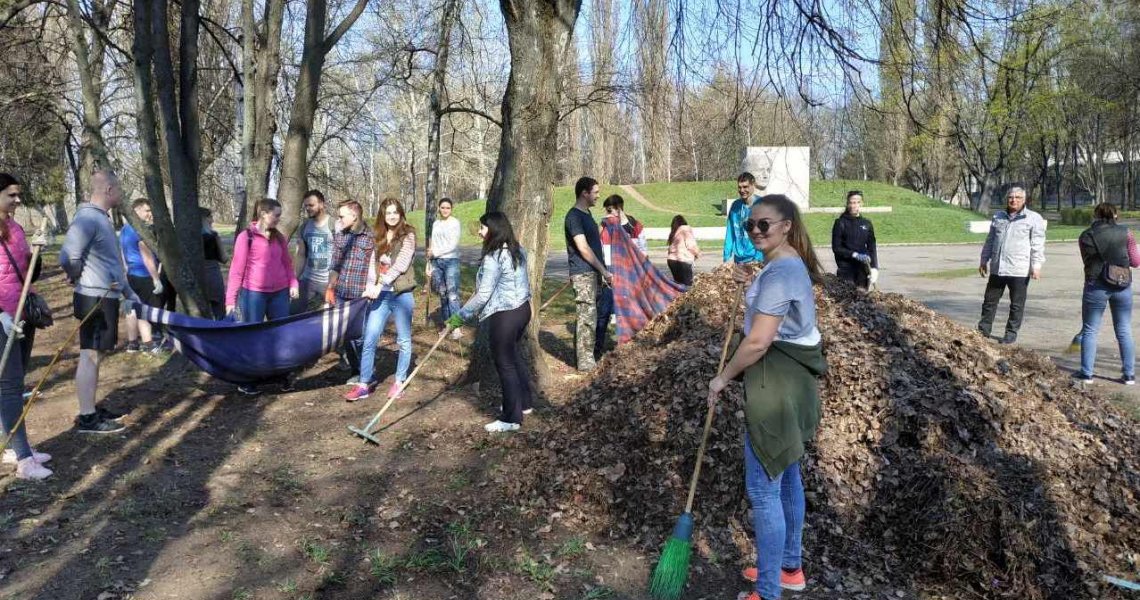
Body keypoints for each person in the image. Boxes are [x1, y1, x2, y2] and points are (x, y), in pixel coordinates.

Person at [707, 194, 825, 600]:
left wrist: (722, 378)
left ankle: (769, 591)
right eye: (749, 226)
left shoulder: (780, 273)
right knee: (787, 475)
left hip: (775, 387)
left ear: (786, 225)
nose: (755, 231)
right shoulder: (782, 267)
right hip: (791, 384)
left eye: (764, 225)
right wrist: (751, 281)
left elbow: (757, 342)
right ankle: (788, 567)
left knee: (763, 489)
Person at [59, 170, 133, 434]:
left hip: (105, 296)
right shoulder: (88, 217)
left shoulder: (100, 218)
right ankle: (88, 417)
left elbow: (111, 263)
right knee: (90, 355)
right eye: (119, 189)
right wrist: (76, 274)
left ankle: (89, 407)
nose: (121, 194)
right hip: (94, 298)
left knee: (96, 355)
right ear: (109, 190)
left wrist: (127, 293)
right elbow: (68, 255)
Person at [446, 212, 533, 432]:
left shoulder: (494, 256)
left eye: (483, 228)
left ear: (493, 229)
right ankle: (524, 403)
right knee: (513, 356)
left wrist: (459, 317)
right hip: (522, 310)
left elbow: (483, 295)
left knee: (505, 364)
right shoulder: (517, 250)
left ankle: (511, 418)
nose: (479, 231)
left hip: (505, 314)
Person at [0, 174, 51, 478]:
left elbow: (25, 271)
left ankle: (12, 447)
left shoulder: (15, 227)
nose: (18, 200)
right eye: (11, 195)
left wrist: (37, 252)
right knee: (8, 385)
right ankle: (23, 460)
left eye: (18, 195)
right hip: (3, 317)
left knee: (14, 385)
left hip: (23, 312)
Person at [344, 198, 417, 402]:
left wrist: (380, 284)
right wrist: (370, 285)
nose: (392, 216)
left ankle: (399, 381)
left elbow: (401, 264)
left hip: (401, 294)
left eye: (395, 212)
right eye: (388, 213)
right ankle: (363, 384)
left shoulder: (408, 234)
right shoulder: (378, 236)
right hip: (381, 295)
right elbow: (371, 264)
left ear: (401, 213)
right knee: (369, 338)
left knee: (403, 340)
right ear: (383, 216)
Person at [226, 198, 300, 396]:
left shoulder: (279, 238)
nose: (278, 219)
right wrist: (230, 301)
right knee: (253, 337)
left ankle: (282, 376)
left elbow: (287, 263)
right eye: (276, 215)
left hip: (280, 293)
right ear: (264, 214)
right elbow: (236, 271)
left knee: (281, 336)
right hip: (253, 294)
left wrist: (293, 283)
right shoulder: (246, 237)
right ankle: (248, 380)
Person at [1073, 202, 1140, 384]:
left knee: (1090, 330)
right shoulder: (1127, 233)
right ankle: (1129, 375)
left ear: (1095, 216)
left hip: (1096, 285)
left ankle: (1087, 374)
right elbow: (1135, 261)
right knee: (1124, 329)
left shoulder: (1085, 235)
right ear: (1115, 215)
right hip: (1122, 284)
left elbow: (1086, 260)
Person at [977, 186, 1046, 344]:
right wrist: (983, 259)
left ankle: (1010, 334)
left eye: (1017, 197)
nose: (1013, 200)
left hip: (1019, 270)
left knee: (1016, 305)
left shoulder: (1033, 218)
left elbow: (1037, 244)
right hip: (998, 268)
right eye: (1010, 197)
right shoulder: (998, 217)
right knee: (989, 301)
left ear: (1024, 200)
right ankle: (983, 330)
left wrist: (1036, 266)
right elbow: (990, 240)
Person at [564, 177, 612, 372]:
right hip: (583, 274)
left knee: (594, 317)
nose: (598, 196)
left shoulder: (588, 214)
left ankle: (590, 356)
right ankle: (585, 365)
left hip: (594, 275)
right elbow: (583, 248)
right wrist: (604, 270)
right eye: (595, 192)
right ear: (584, 193)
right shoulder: (573, 217)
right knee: (587, 319)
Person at [326, 200, 376, 383]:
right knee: (347, 336)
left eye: (341, 216)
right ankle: (356, 372)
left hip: (361, 295)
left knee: (361, 337)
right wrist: (330, 287)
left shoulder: (370, 237)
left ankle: (368, 374)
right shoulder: (340, 236)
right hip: (341, 293)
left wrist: (371, 288)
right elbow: (335, 264)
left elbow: (374, 266)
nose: (338, 219)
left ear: (354, 216)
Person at [596, 194, 646, 359]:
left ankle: (627, 349)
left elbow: (643, 252)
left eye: (610, 210)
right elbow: (600, 250)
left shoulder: (635, 226)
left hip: (629, 280)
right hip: (609, 278)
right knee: (603, 314)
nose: (608, 214)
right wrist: (604, 273)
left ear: (619, 208)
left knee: (627, 315)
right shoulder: (604, 226)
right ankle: (598, 349)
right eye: (607, 211)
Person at [119, 198, 162, 352]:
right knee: (146, 309)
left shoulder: (124, 229)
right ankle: (150, 343)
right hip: (144, 275)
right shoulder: (140, 230)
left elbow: (123, 255)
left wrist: (125, 273)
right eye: (147, 211)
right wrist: (156, 279)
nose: (150, 214)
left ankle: (132, 343)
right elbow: (147, 256)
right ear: (136, 211)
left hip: (131, 275)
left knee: (131, 308)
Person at [292, 189, 334, 313]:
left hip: (327, 283)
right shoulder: (304, 227)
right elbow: (300, 255)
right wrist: (295, 278)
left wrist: (334, 283)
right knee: (293, 314)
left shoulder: (334, 225)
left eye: (311, 205)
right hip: (307, 281)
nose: (308, 208)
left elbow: (341, 255)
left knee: (323, 320)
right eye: (306, 206)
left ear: (322, 204)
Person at [427, 197, 462, 339]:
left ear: (451, 209)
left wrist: (436, 252)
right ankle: (448, 326)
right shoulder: (436, 223)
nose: (445, 210)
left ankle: (457, 327)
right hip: (436, 262)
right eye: (443, 207)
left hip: (451, 261)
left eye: (448, 207)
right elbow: (433, 244)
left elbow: (453, 245)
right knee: (442, 294)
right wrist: (429, 262)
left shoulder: (455, 223)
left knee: (452, 295)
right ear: (439, 208)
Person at [831, 190, 879, 289]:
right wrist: (854, 255)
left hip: (863, 269)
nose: (854, 205)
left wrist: (874, 268)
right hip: (846, 270)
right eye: (851, 202)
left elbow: (872, 247)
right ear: (848, 204)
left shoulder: (867, 223)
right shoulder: (840, 223)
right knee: (848, 300)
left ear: (862, 203)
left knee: (862, 300)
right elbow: (836, 248)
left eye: (857, 202)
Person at [723, 172, 764, 264]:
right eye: (739, 187)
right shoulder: (735, 206)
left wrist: (758, 259)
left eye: (745, 187)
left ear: (753, 185)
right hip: (739, 260)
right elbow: (730, 232)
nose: (742, 190)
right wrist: (726, 257)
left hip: (756, 259)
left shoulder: (762, 205)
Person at [200, 208, 228, 320]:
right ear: (204, 219)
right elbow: (224, 258)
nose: (212, 220)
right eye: (210, 217)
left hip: (195, 275)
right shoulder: (213, 236)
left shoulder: (187, 238)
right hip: (212, 273)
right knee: (219, 310)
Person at [666, 214, 701, 286]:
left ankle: (678, 296)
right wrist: (697, 253)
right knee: (687, 285)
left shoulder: (674, 233)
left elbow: (670, 249)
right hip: (683, 261)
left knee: (678, 284)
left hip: (671, 260)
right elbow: (691, 246)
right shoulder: (686, 230)